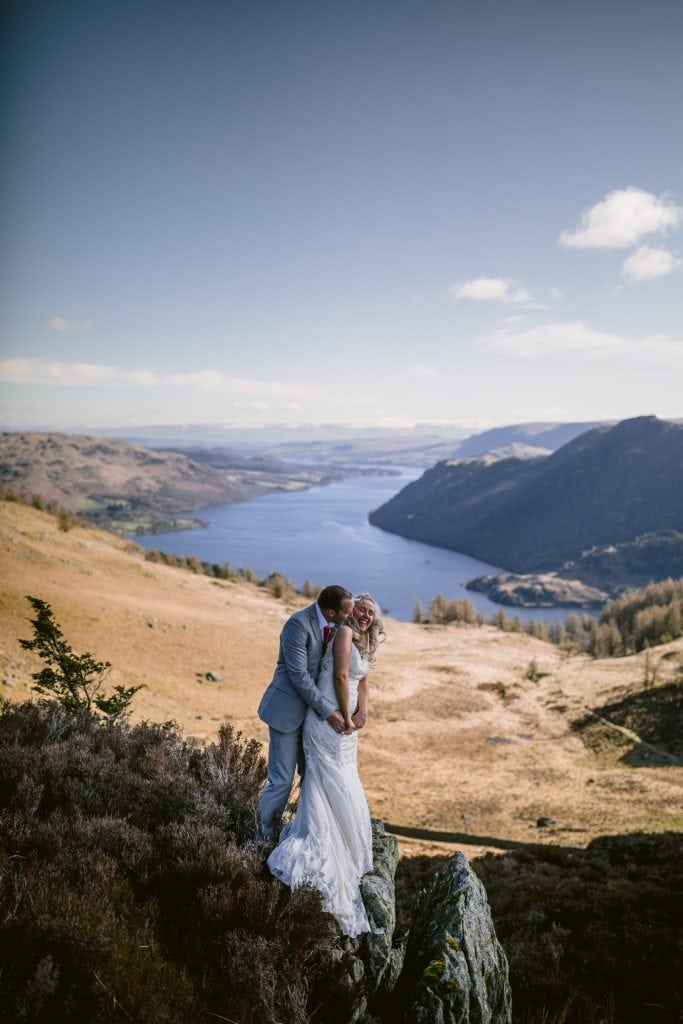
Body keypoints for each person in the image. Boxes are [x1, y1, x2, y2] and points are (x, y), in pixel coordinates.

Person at [267, 593, 386, 937]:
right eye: (360, 609)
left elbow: (361, 681)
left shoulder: (357, 637)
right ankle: (299, 838)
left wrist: (363, 712)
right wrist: (346, 717)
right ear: (348, 611)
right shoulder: (343, 633)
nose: (364, 615)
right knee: (318, 778)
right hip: (328, 721)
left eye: (369, 613)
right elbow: (339, 677)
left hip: (344, 721)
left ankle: (349, 841)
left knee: (341, 777)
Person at [258, 584, 354, 842]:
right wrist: (329, 712)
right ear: (331, 612)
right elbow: (299, 676)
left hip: (311, 719)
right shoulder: (298, 625)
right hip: (287, 713)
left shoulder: (337, 626)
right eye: (347, 612)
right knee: (281, 780)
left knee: (311, 777)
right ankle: (263, 837)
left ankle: (301, 833)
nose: (350, 617)